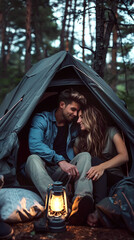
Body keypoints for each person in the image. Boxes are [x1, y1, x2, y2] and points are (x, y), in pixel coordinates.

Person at [25, 89, 94, 226]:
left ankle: (79, 204)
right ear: (62, 105)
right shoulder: (41, 119)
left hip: (62, 171)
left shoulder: (73, 126)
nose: (75, 114)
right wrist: (60, 160)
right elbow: (35, 144)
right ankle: (58, 205)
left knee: (85, 156)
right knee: (32, 159)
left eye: (77, 111)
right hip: (42, 170)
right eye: (73, 109)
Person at [74, 105, 129, 226]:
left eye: (81, 117)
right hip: (91, 180)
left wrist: (102, 167)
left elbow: (124, 156)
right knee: (91, 162)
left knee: (95, 161)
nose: (78, 121)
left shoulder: (111, 132)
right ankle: (86, 211)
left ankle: (98, 210)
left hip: (114, 177)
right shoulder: (79, 141)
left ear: (91, 118)